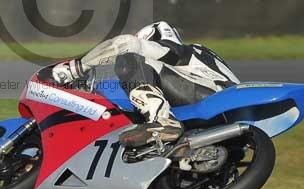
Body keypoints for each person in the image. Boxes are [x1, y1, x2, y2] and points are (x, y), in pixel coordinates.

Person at [51, 21, 240, 147]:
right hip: (227, 115)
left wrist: (78, 67)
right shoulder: (197, 60)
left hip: (210, 99)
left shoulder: (177, 50)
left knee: (129, 58)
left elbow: (126, 44)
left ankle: (162, 121)